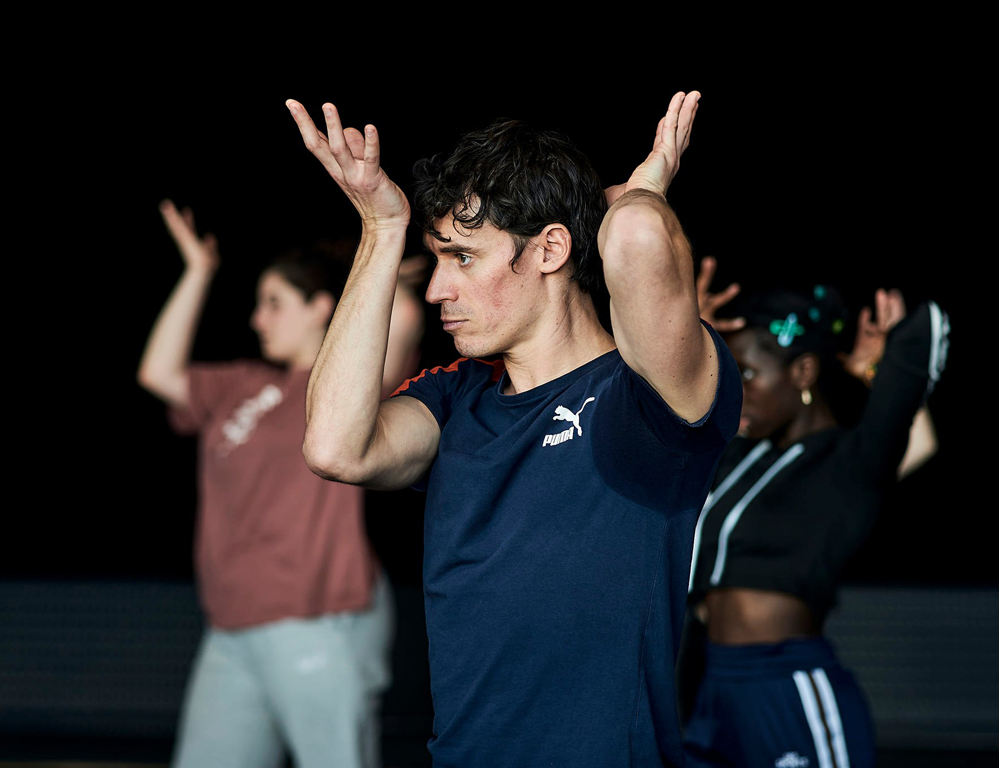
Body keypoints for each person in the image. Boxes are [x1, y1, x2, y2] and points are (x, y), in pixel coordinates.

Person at [284, 91, 742, 767]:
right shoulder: (453, 398)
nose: (438, 289)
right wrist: (382, 230)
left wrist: (639, 196)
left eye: (463, 257)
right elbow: (333, 447)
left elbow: (641, 240)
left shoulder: (645, 400)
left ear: (552, 248)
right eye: (437, 258)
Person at [137, 200, 424, 768]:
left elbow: (405, 324)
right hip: (230, 627)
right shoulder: (239, 384)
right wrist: (197, 271)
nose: (257, 319)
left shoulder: (341, 388)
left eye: (274, 303)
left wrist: (384, 253)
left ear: (321, 307)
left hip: (317, 619)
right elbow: (158, 372)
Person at [680, 263, 949, 768]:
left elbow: (923, 352)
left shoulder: (847, 464)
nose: (741, 389)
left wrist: (875, 367)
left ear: (802, 373)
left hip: (786, 681)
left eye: (752, 375)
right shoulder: (740, 455)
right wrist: (689, 332)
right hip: (710, 682)